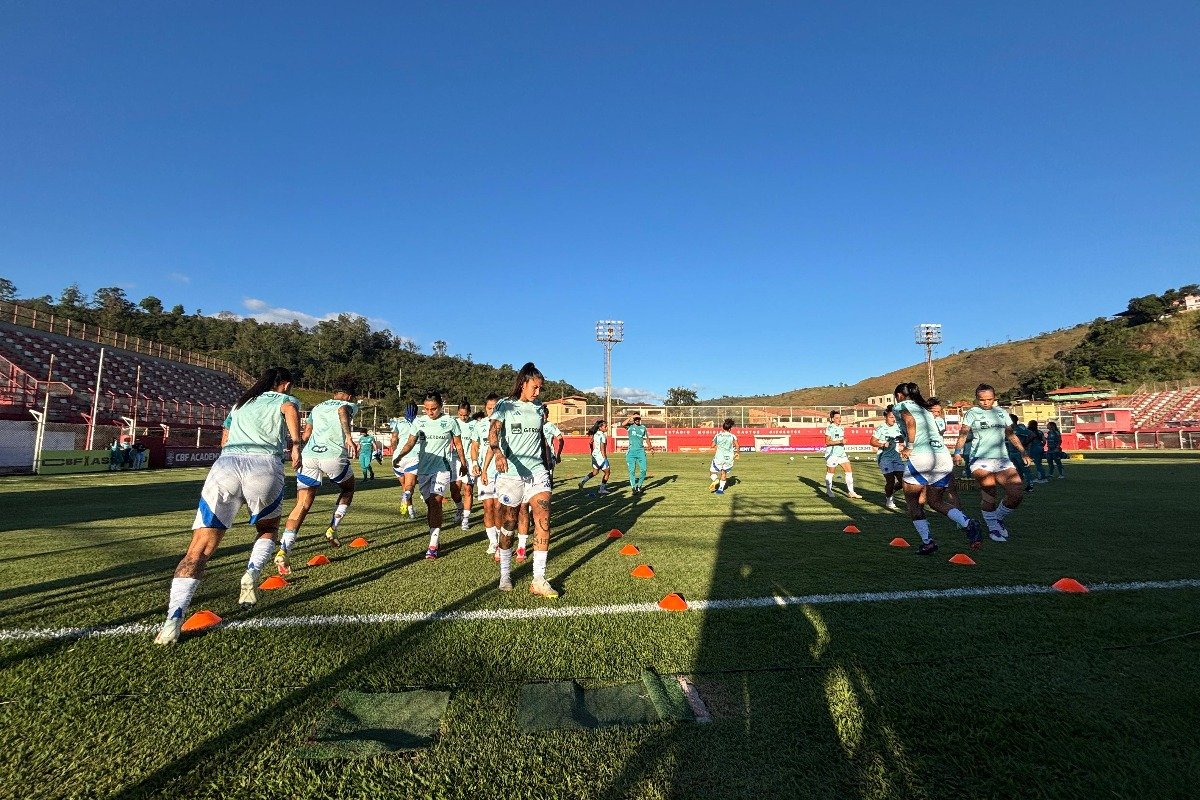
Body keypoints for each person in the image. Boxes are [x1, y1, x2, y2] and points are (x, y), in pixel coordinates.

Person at [153, 367, 301, 645]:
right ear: (285, 384)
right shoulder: (284, 399)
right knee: (267, 528)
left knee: (198, 548)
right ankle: (252, 572)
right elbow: (289, 409)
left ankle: (173, 618)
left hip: (227, 464)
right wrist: (295, 444)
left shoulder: (241, 402)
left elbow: (224, 436)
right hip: (264, 465)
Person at [488, 362, 558, 597]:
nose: (538, 393)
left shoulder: (539, 408)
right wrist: (498, 453)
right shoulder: (504, 406)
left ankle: (538, 578)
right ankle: (505, 573)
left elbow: (540, 438)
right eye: (535, 387)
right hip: (510, 474)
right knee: (509, 524)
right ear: (523, 383)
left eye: (540, 389)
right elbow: (493, 432)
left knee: (543, 517)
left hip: (537, 471)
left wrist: (548, 462)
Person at [278, 380, 360, 573]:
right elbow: (342, 411)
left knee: (302, 505)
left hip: (310, 457)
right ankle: (332, 528)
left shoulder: (317, 407)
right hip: (332, 456)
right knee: (348, 488)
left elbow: (306, 434)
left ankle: (284, 550)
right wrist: (348, 436)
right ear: (349, 396)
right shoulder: (348, 405)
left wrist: (295, 448)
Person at [893, 382, 982, 555]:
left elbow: (910, 421)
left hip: (921, 457)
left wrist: (909, 446)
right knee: (935, 502)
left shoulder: (901, 405)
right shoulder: (925, 409)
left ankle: (928, 542)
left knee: (913, 504)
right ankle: (968, 523)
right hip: (942, 458)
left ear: (899, 395)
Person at [393, 390, 469, 560]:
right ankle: (435, 535)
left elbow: (458, 444)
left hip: (442, 468)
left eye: (433, 409)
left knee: (435, 502)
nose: (430, 412)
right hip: (424, 470)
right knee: (431, 505)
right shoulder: (419, 422)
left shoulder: (450, 422)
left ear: (441, 406)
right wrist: (399, 455)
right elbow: (410, 442)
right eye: (426, 409)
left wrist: (463, 463)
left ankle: (433, 545)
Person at [954, 384, 1034, 543]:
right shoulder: (972, 413)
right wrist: (958, 452)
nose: (985, 402)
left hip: (1002, 459)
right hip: (980, 459)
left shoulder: (1001, 413)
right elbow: (963, 433)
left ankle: (996, 517)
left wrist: (1023, 452)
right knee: (989, 489)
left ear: (995, 398)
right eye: (982, 400)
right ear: (977, 399)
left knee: (1017, 494)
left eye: (989, 399)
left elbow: (1010, 434)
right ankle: (993, 528)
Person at [472, 395, 502, 558]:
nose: (492, 410)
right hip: (485, 474)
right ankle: (493, 541)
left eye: (495, 407)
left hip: (502, 473)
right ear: (485, 408)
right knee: (488, 507)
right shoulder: (479, 425)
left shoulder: (504, 424)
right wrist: (474, 463)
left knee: (499, 508)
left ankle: (500, 540)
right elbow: (475, 446)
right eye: (489, 408)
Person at [870, 406, 905, 510]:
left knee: (904, 481)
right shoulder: (881, 428)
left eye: (894, 417)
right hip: (884, 458)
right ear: (885, 417)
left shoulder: (898, 427)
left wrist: (902, 440)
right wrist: (882, 444)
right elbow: (872, 442)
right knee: (890, 480)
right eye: (891, 417)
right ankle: (889, 500)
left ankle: (890, 490)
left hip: (896, 457)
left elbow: (902, 438)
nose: (893, 419)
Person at [389, 403, 420, 519]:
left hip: (398, 457)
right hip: (413, 456)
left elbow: (393, 440)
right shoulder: (421, 422)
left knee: (404, 486)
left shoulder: (397, 422)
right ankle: (408, 501)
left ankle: (411, 510)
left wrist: (396, 453)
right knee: (410, 486)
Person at [823, 410, 862, 499]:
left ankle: (851, 492)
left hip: (842, 454)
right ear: (832, 419)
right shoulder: (830, 428)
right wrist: (840, 441)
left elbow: (840, 439)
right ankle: (829, 491)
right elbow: (827, 442)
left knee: (849, 472)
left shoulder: (841, 427)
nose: (839, 419)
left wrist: (843, 441)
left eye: (840, 417)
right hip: (832, 455)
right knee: (830, 473)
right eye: (837, 418)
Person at [449, 400, 475, 531]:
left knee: (468, 490)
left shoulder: (474, 424)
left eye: (465, 415)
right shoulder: (453, 423)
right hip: (455, 460)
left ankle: (465, 519)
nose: (463, 417)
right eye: (460, 414)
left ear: (469, 413)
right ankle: (459, 508)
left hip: (469, 460)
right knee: (454, 491)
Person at [578, 419, 611, 495]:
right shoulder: (603, 436)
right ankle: (601, 489)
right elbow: (602, 449)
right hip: (600, 457)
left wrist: (592, 451)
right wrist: (605, 458)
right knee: (607, 473)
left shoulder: (595, 433)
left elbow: (590, 442)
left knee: (595, 472)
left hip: (594, 455)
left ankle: (582, 482)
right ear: (600, 427)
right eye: (605, 426)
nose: (607, 428)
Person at [709, 418, 739, 494]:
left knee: (712, 472)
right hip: (729, 458)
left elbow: (712, 445)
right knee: (724, 473)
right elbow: (737, 446)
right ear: (730, 429)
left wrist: (718, 446)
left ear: (723, 427)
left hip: (719, 457)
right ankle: (720, 490)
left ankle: (715, 479)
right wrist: (737, 453)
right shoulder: (732, 436)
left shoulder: (718, 435)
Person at [623, 414, 650, 494]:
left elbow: (647, 438)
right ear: (634, 419)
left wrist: (650, 447)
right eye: (636, 418)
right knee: (632, 471)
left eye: (639, 418)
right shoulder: (630, 426)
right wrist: (630, 417)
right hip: (631, 452)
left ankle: (639, 485)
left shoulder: (643, 428)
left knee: (644, 470)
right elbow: (623, 424)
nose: (637, 420)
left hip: (641, 451)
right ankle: (633, 487)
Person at [1012, 416, 1036, 491]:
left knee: (1025, 469)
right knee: (1017, 470)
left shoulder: (1019, 429)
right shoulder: (1009, 430)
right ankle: (1019, 485)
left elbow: (1032, 435)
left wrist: (1025, 443)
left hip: (1020, 453)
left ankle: (1030, 485)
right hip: (1012, 452)